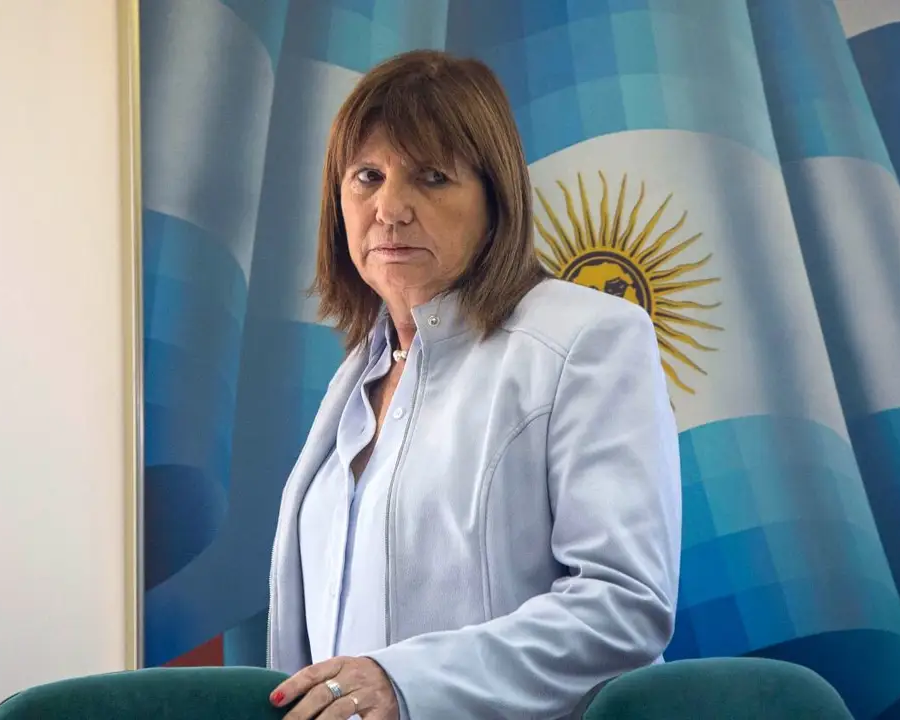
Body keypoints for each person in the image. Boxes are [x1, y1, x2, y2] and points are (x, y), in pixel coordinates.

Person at [265, 49, 682, 720]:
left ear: (496, 199)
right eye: (367, 176)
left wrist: (404, 683)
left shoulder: (590, 339)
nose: (389, 208)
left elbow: (623, 607)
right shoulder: (359, 374)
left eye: (432, 177)